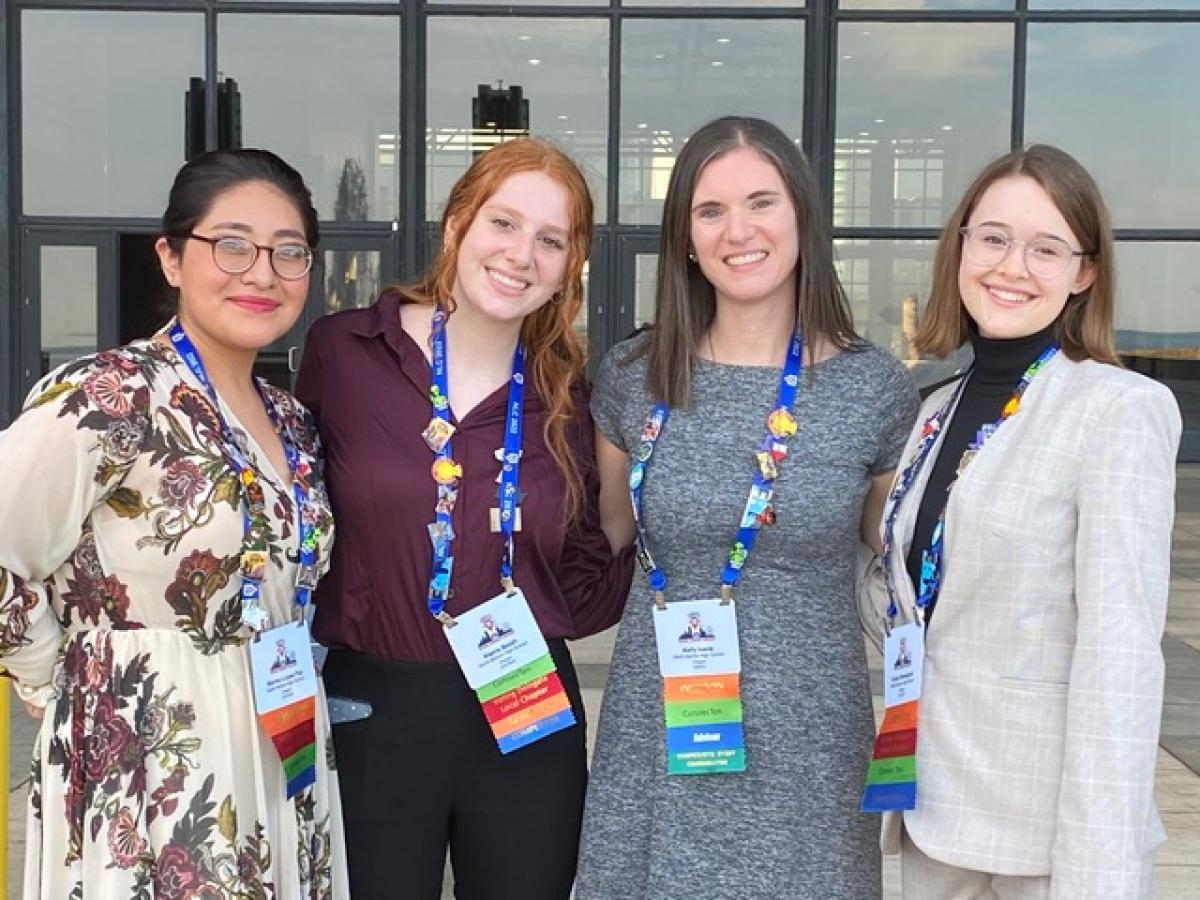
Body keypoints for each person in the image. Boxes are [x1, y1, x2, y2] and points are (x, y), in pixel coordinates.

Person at [575, 116, 920, 899]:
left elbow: (905, 557)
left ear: (801, 215)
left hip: (811, 748)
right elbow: (599, 540)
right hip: (658, 731)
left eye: (762, 202)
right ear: (686, 239)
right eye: (710, 211)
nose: (740, 231)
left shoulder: (874, 390)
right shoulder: (632, 377)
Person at [0, 149, 347, 897]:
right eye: (231, 244)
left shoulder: (294, 422)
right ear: (170, 257)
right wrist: (47, 670)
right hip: (149, 753)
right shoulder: (111, 396)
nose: (261, 273)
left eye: (288, 252)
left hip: (281, 735)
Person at [296, 137, 635, 900]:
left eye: (551, 239)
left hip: (527, 708)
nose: (521, 254)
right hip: (373, 709)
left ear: (569, 266)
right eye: (503, 223)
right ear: (457, 225)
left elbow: (595, 556)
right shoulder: (346, 352)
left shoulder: (573, 399)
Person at [863, 144, 1180, 898]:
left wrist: (1098, 874)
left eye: (1047, 248)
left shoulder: (1116, 411)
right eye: (995, 238)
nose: (1012, 266)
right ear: (962, 246)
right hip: (932, 810)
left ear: (1086, 272)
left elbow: (1121, 662)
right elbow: (917, 602)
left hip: (1043, 837)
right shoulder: (933, 411)